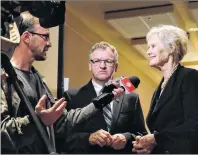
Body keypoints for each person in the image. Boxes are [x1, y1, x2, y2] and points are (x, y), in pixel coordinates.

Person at [1, 12, 123, 154]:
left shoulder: (38, 79)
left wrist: (101, 101)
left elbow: (61, 121)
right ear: (27, 37)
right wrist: (38, 121)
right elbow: (2, 131)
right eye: (45, 37)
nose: (49, 43)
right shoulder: (4, 76)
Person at [58, 41, 147, 154]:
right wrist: (88, 139)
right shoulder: (72, 96)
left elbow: (142, 135)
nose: (102, 66)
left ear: (116, 66)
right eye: (97, 61)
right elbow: (62, 139)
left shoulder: (131, 98)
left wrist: (126, 138)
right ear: (89, 65)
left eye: (108, 61)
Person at [132, 25, 198, 154]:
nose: (148, 52)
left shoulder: (189, 77)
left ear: (172, 47)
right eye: (148, 47)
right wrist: (149, 146)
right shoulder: (159, 89)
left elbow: (194, 125)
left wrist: (156, 139)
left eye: (153, 46)